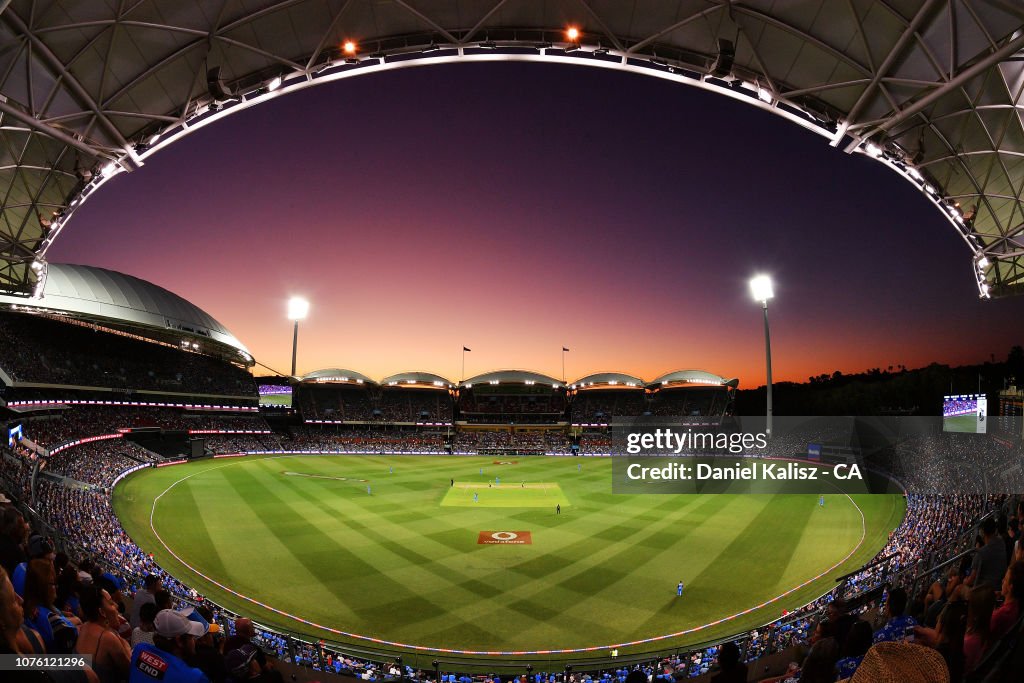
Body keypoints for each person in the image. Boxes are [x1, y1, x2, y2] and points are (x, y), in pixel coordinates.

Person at [129, 609, 210, 683]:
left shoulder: (139, 649)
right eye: (191, 637)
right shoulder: (195, 678)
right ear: (179, 641)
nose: (194, 641)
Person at [75, 584, 133, 683]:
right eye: (111, 603)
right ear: (102, 612)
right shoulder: (109, 638)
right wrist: (126, 646)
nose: (116, 606)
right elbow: (130, 672)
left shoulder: (83, 626)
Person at [965, 517, 1007, 591]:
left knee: (958, 588)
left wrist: (964, 581)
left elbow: (971, 580)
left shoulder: (980, 553)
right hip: (998, 587)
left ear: (982, 533)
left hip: (983, 592)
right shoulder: (1002, 543)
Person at [991, 560, 1023, 640]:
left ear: (1010, 587)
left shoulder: (999, 615)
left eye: (1005, 579)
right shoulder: (1017, 605)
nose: (1002, 581)